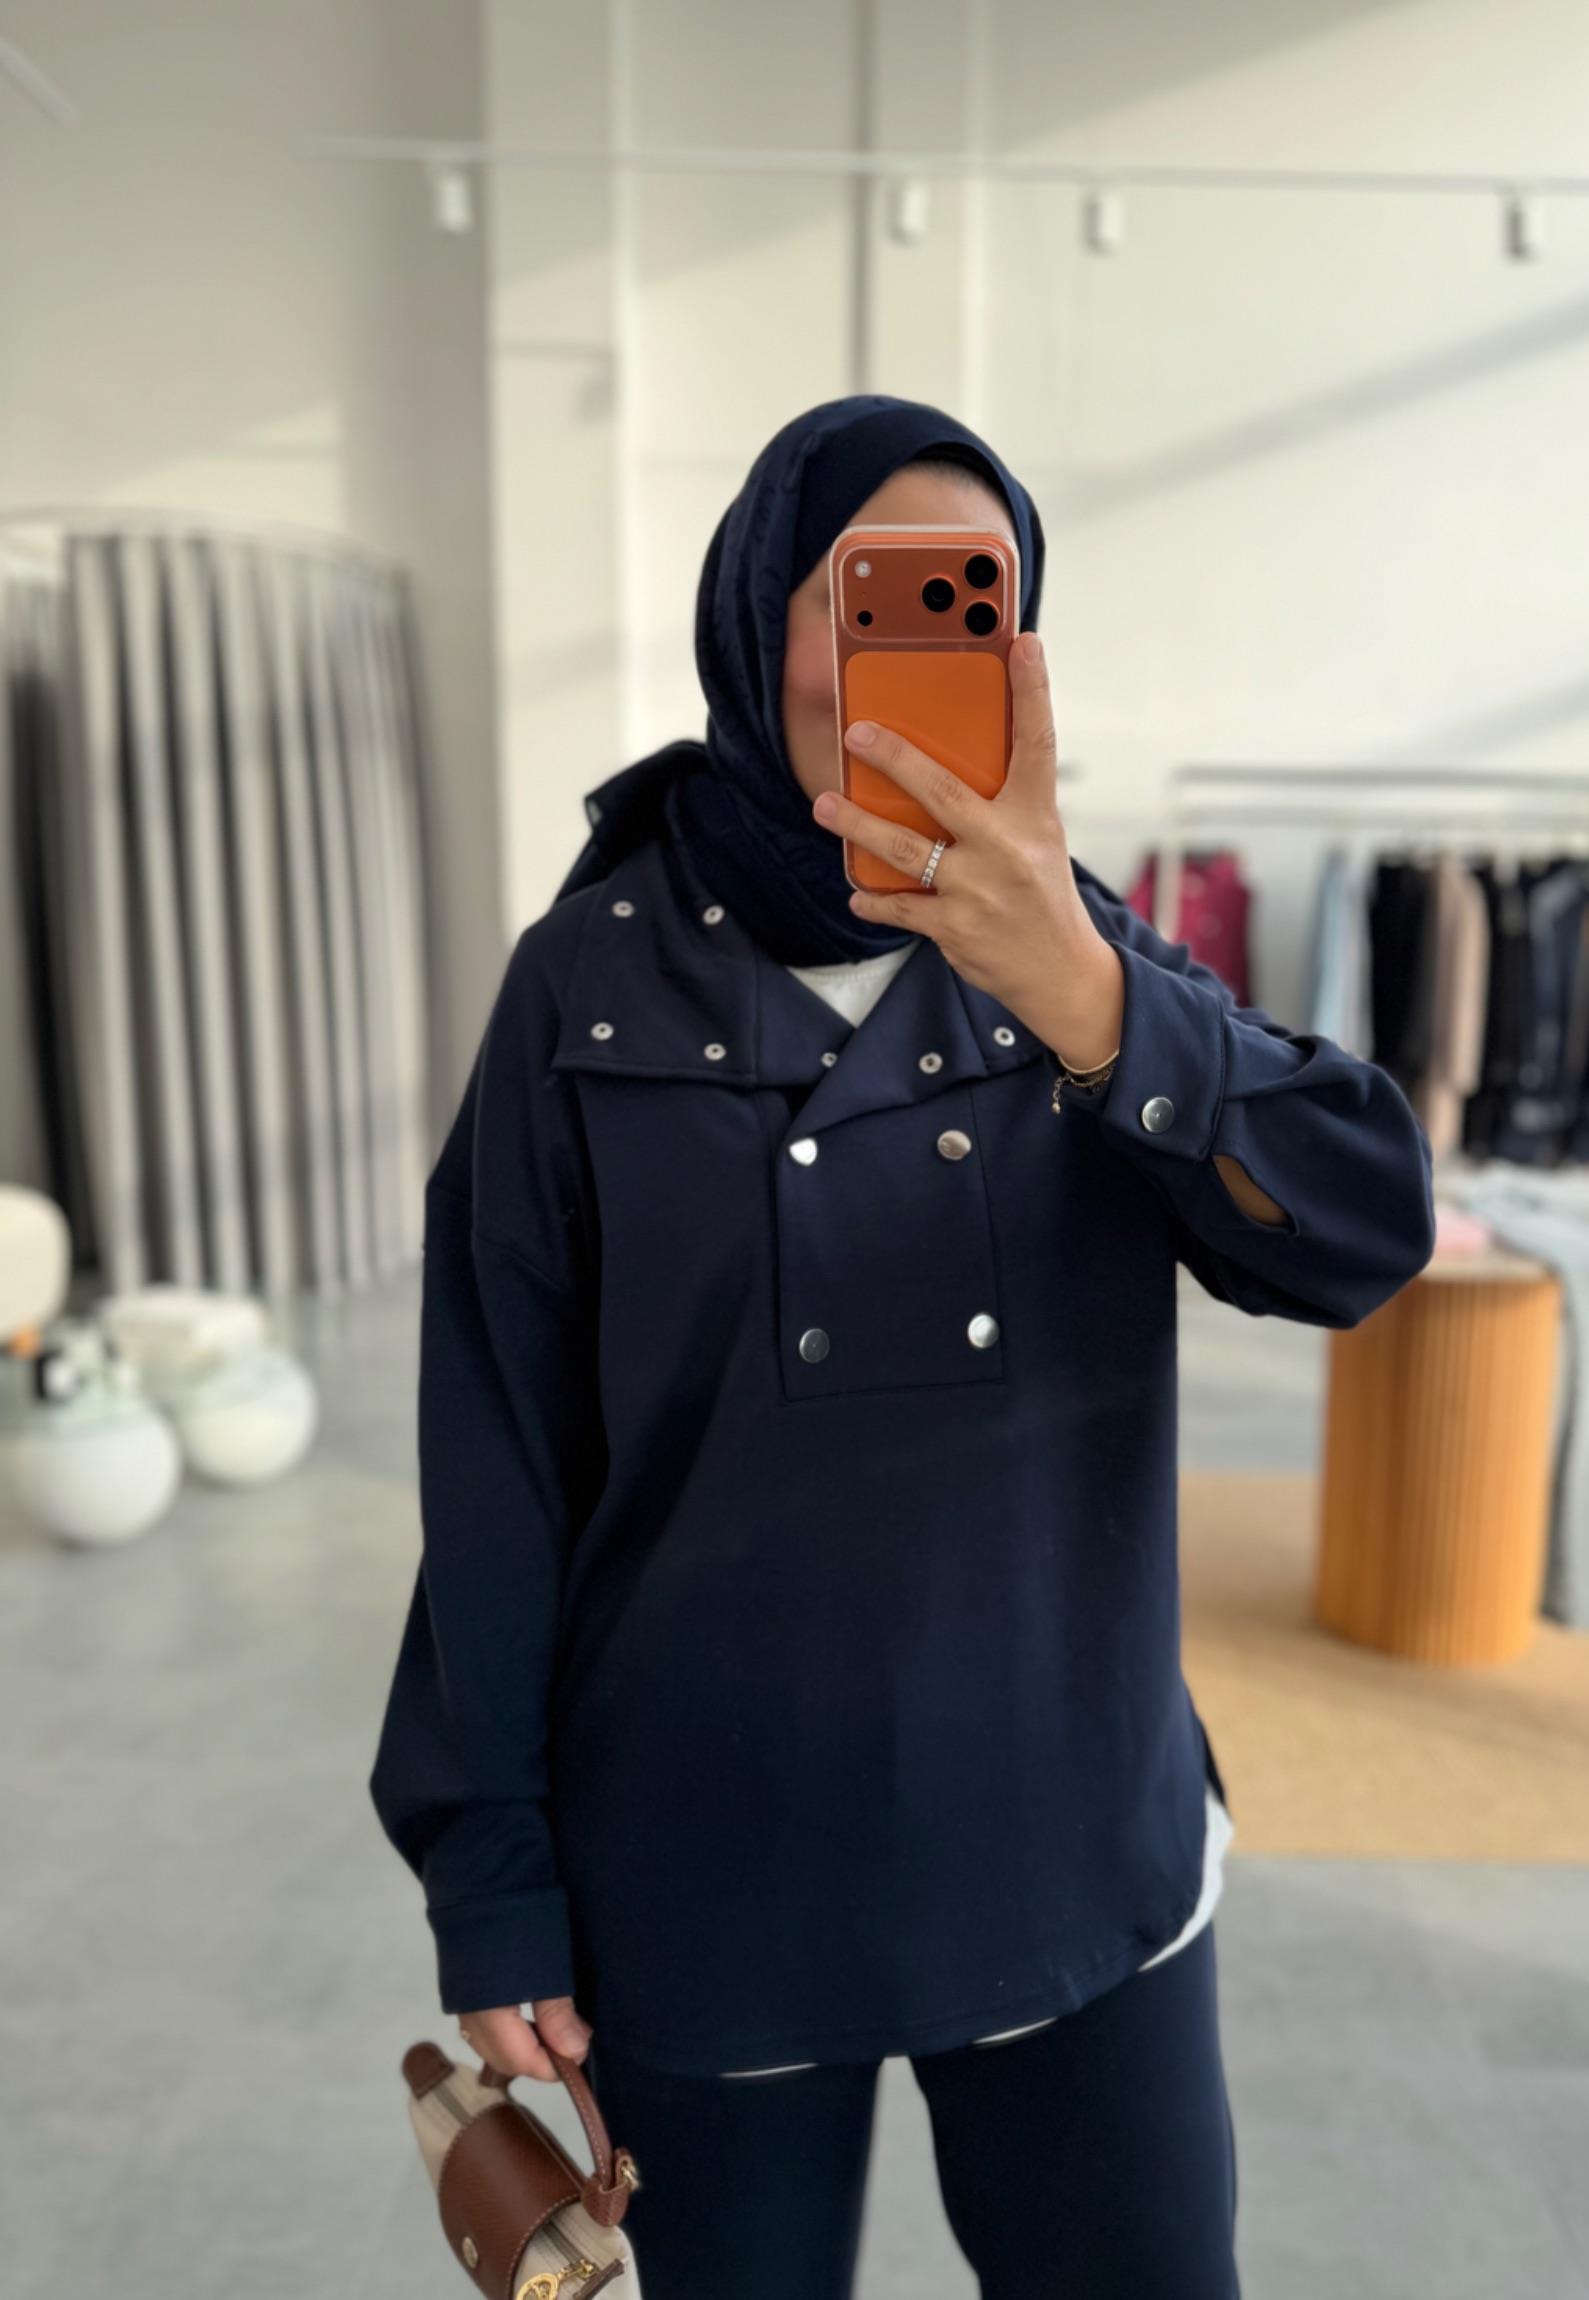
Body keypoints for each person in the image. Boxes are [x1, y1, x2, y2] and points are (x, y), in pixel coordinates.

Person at [369, 394, 1437, 2297]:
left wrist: (1093, 1000)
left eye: (975, 600)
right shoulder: (585, 982)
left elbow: (1362, 1230)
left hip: (1070, 1849)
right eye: (872, 595)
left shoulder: (1082, 950)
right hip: (701, 1877)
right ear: (757, 606)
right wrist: (494, 1877)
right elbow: (496, 1459)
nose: (912, 653)